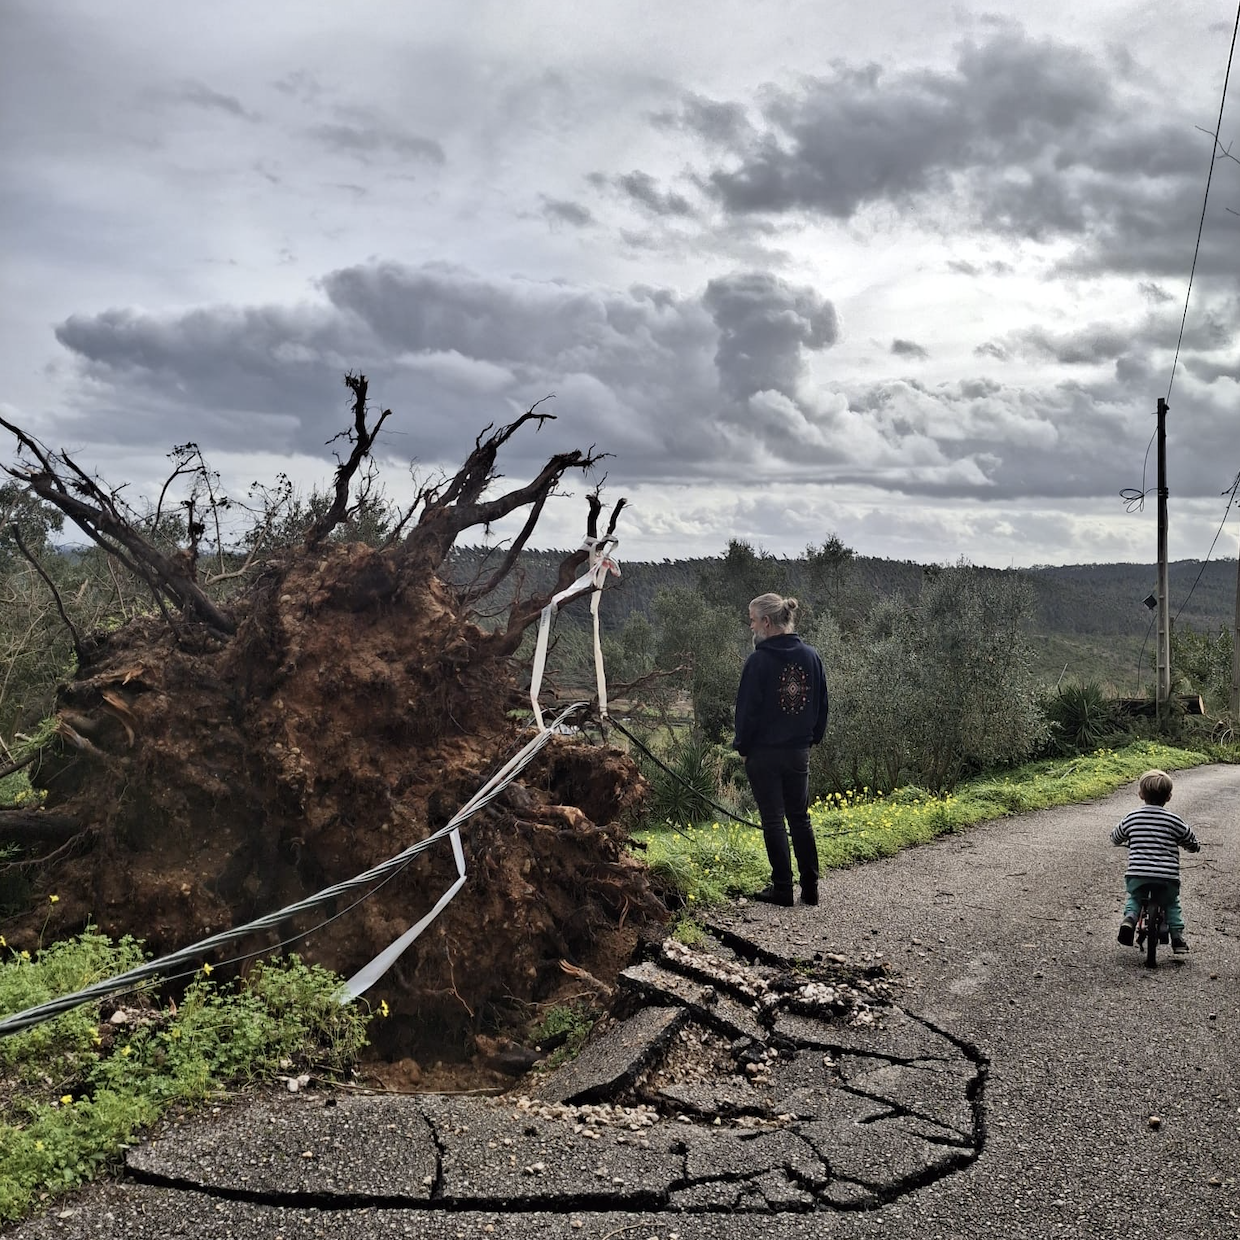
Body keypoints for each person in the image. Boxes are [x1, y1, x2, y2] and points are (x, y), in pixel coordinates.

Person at [733, 593, 829, 907]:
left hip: (763, 753)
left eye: (752, 619)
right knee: (800, 818)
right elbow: (822, 704)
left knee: (773, 820)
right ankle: (811, 889)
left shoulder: (758, 661)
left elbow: (746, 710)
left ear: (767, 622)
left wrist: (743, 747)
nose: (750, 626)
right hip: (798, 751)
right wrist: (811, 738)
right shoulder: (811, 656)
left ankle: (783, 889)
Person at [1111, 769, 1201, 954]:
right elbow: (1190, 839)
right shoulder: (1174, 820)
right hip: (1167, 876)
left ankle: (1129, 918)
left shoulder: (1132, 817)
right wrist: (1193, 847)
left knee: (1136, 897)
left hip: (1138, 873)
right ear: (1168, 797)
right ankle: (1177, 937)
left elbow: (1115, 837)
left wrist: (1123, 840)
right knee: (1171, 903)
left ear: (1141, 794)